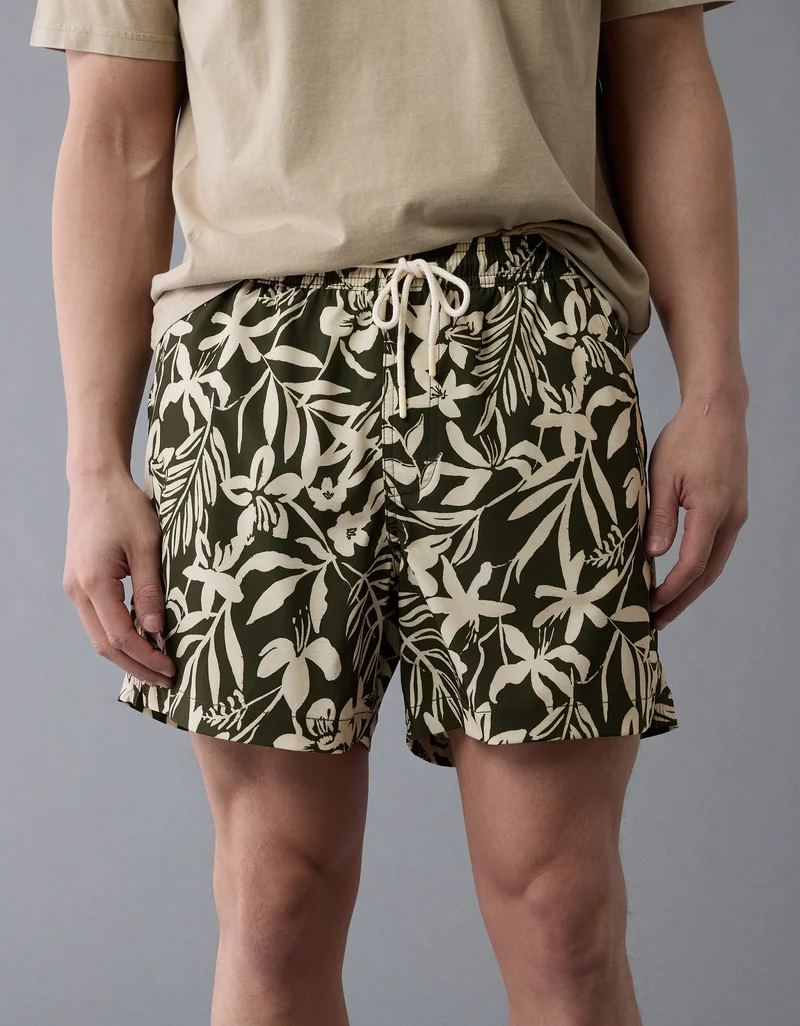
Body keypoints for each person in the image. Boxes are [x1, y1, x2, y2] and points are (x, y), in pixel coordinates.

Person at [30, 1, 748, 1023]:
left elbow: (662, 75)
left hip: (528, 360)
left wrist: (715, 393)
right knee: (274, 907)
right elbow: (115, 127)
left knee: (564, 917)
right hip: (256, 375)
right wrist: (92, 463)